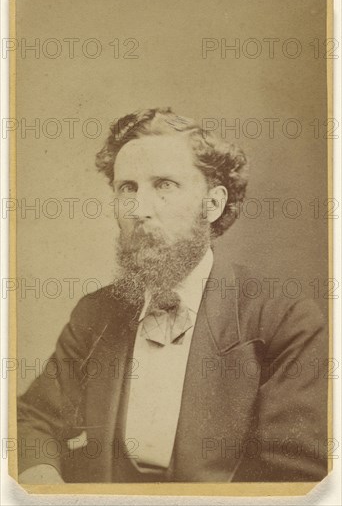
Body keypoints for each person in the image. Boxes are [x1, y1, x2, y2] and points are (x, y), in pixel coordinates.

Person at [17, 108, 328, 484]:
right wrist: (43, 483)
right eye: (127, 188)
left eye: (164, 185)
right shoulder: (96, 313)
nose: (139, 209)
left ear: (212, 204)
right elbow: (34, 419)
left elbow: (295, 478)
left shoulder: (284, 319)